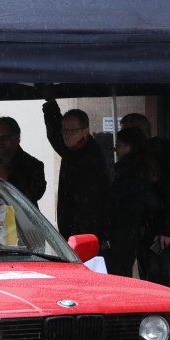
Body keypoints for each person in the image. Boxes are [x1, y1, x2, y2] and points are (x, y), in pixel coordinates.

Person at [121, 112, 170, 284]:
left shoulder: (157, 157)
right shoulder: (141, 158)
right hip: (144, 228)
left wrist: (167, 230)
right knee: (148, 274)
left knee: (157, 276)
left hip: (155, 230)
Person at [42, 99, 110, 243]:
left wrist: (79, 234)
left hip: (85, 234)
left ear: (85, 131)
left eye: (72, 131)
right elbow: (54, 134)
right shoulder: (72, 149)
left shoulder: (90, 157)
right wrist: (50, 104)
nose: (66, 135)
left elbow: (91, 205)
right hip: (72, 232)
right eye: (64, 130)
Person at [106, 127, 164, 278]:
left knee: (122, 272)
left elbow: (124, 201)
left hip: (128, 230)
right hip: (140, 230)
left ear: (129, 147)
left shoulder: (129, 172)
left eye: (118, 145)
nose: (116, 149)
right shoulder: (146, 168)